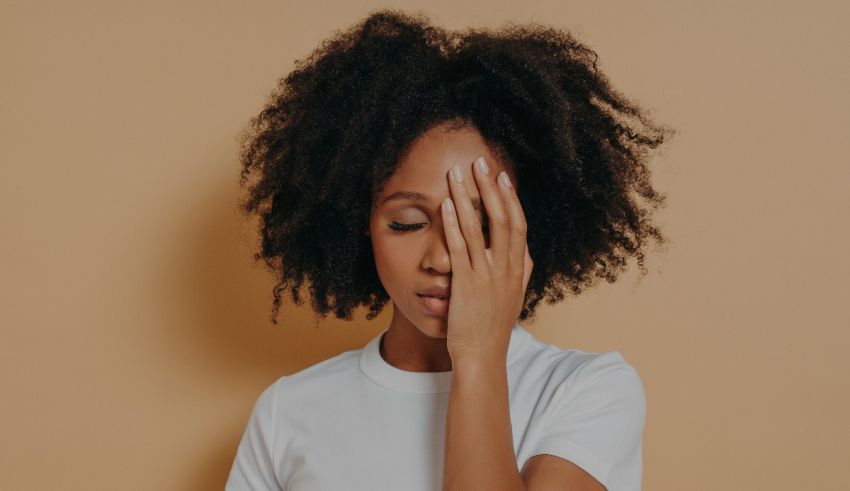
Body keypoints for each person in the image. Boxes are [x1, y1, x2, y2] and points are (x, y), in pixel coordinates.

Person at [225, 8, 674, 491]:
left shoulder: (586, 390)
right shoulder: (287, 411)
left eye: (477, 224)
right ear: (360, 224)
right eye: (407, 223)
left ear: (528, 225)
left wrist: (478, 354)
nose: (441, 259)